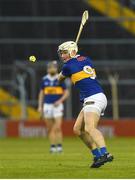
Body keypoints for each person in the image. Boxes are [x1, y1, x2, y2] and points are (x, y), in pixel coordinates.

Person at [57, 41, 114, 168]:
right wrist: (71, 57)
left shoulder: (68, 66)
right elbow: (77, 63)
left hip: (93, 98)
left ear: (72, 52)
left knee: (90, 128)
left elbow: (59, 79)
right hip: (97, 96)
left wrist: (62, 72)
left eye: (64, 53)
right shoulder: (86, 59)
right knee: (78, 130)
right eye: (61, 53)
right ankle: (97, 155)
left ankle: (105, 153)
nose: (62, 56)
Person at [38, 61, 69, 153]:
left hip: (58, 106)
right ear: (48, 69)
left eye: (54, 67)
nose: (52, 69)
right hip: (47, 106)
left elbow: (66, 93)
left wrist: (59, 101)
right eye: (50, 68)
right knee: (49, 128)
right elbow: (41, 93)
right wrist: (40, 106)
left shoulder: (60, 79)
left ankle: (59, 146)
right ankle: (52, 146)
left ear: (56, 69)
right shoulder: (44, 79)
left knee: (58, 127)